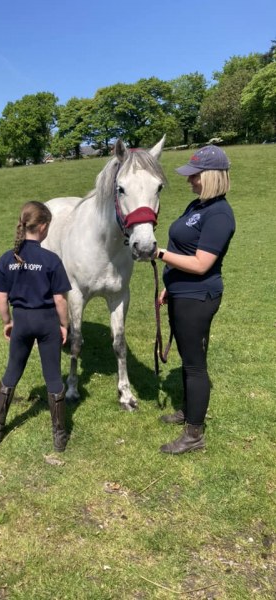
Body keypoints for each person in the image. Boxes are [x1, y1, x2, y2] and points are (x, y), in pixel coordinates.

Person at [155, 145, 235, 454]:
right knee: (188, 360)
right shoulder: (197, 206)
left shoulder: (220, 214)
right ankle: (188, 411)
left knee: (194, 365)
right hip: (180, 292)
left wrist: (159, 254)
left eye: (195, 176)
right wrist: (169, 285)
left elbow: (202, 264)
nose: (190, 180)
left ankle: (194, 434)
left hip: (198, 297)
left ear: (212, 176)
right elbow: (185, 250)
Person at [0, 201, 71, 452]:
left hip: (22, 321)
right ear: (43, 227)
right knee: (53, 376)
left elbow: (1, 297)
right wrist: (64, 325)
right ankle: (59, 435)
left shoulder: (7, 259)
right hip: (47, 323)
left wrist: (7, 322)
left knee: (12, 372)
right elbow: (60, 299)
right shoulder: (51, 259)